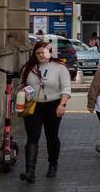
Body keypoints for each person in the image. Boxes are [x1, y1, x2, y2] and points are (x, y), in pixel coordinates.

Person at [18, 40, 71, 183]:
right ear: (34, 54)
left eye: (44, 52)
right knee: (32, 137)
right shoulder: (29, 68)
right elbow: (23, 85)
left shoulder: (59, 67)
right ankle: (30, 172)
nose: (41, 55)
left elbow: (66, 88)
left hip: (53, 105)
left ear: (50, 52)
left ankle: (53, 164)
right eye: (38, 53)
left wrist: (62, 104)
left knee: (51, 136)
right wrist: (24, 92)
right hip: (34, 106)